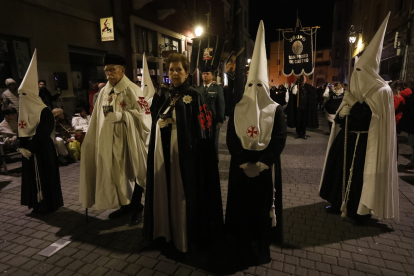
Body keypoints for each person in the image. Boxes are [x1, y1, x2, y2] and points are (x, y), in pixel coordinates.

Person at [319, 13, 399, 224]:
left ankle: (359, 210)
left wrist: (353, 108)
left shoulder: (382, 91)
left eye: (361, 71)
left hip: (367, 144)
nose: (357, 75)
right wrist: (342, 115)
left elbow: (374, 119)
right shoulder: (355, 88)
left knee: (360, 179)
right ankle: (337, 202)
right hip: (347, 139)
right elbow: (342, 115)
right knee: (339, 173)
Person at [143, 53, 223, 254]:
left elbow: (205, 128)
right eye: (171, 69)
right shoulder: (165, 95)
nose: (175, 73)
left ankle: (183, 237)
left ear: (187, 72)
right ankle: (165, 231)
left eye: (179, 69)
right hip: (165, 153)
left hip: (186, 156)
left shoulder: (195, 95)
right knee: (165, 191)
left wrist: (181, 127)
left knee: (181, 194)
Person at [225, 21, 287, 266]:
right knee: (241, 210)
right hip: (240, 168)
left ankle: (261, 247)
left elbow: (279, 139)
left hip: (264, 169)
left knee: (261, 211)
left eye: (260, 85)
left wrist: (263, 163)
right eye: (251, 85)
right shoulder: (239, 107)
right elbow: (231, 138)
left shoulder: (276, 110)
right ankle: (239, 245)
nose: (255, 89)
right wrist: (241, 161)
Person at [79, 54, 152, 225]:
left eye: (112, 69)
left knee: (131, 171)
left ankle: (136, 207)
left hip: (128, 139)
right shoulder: (104, 90)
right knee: (117, 174)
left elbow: (145, 115)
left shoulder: (133, 89)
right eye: (106, 70)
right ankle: (124, 205)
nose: (108, 74)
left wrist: (121, 115)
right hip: (109, 140)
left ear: (122, 71)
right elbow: (98, 115)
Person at [18, 49, 63, 214]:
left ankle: (48, 205)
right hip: (29, 151)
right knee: (32, 179)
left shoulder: (44, 111)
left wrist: (30, 147)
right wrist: (22, 144)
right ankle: (36, 204)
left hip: (42, 150)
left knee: (45, 178)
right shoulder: (23, 112)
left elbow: (43, 133)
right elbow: (21, 128)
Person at [196, 66, 225, 159]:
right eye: (203, 74)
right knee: (202, 140)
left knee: (213, 141)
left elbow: (221, 104)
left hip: (213, 120)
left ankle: (213, 160)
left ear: (212, 76)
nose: (205, 76)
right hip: (201, 120)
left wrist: (220, 120)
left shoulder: (217, 89)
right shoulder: (198, 89)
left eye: (207, 74)